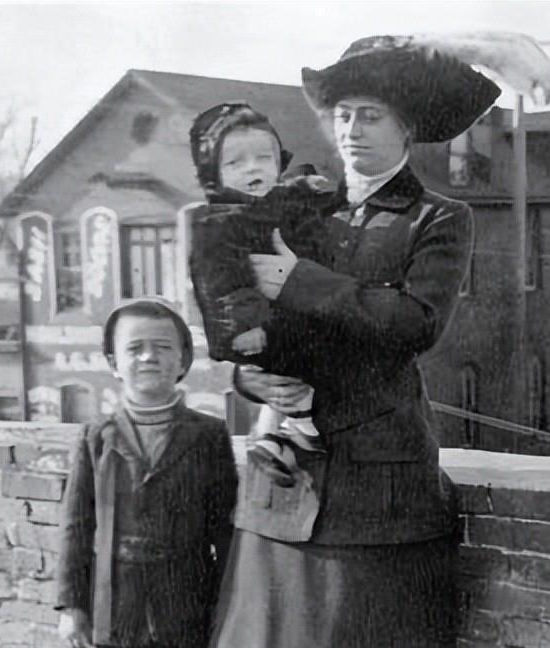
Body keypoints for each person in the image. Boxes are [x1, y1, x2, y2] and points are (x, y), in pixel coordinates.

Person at [211, 35, 501, 648]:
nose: (352, 130)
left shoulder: (438, 218)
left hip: (379, 485)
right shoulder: (294, 205)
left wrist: (301, 280)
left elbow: (416, 323)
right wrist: (250, 377)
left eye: (371, 116)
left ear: (406, 128)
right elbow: (238, 308)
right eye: (343, 115)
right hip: (284, 476)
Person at [54, 296, 238, 648]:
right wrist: (71, 606)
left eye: (163, 347)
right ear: (114, 363)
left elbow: (225, 530)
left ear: (182, 360)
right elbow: (76, 527)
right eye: (134, 348)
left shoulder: (209, 436)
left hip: (188, 606)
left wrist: (230, 606)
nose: (149, 357)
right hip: (116, 607)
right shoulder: (96, 436)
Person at [187, 102, 339, 486]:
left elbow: (291, 195)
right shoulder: (217, 223)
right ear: (214, 176)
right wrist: (246, 324)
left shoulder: (271, 201)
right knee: (293, 365)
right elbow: (221, 282)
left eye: (263, 158)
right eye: (236, 163)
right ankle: (299, 427)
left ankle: (272, 435)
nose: (253, 169)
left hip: (282, 314)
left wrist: (308, 186)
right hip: (251, 325)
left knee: (297, 363)